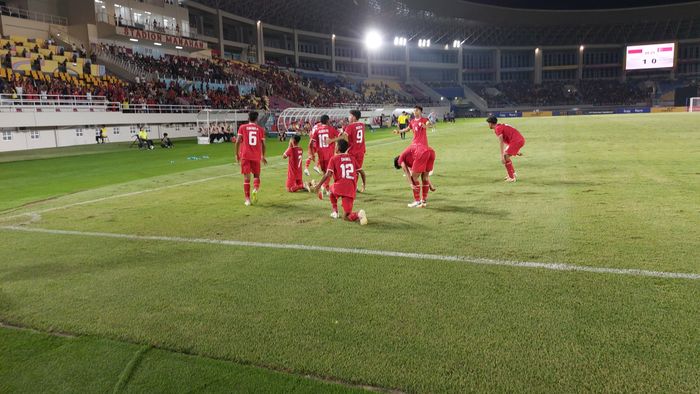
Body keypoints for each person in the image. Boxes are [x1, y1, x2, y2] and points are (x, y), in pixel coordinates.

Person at [312, 139, 367, 225]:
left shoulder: (334, 159)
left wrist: (319, 185)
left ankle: (335, 211)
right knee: (346, 216)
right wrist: (363, 185)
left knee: (330, 190)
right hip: (351, 189)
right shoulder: (352, 158)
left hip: (339, 187)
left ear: (337, 148)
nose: (335, 147)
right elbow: (362, 172)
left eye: (336, 145)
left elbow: (328, 174)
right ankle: (358, 214)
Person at [235, 111, 267, 206]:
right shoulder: (260, 129)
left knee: (246, 179)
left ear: (248, 118)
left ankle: (247, 199)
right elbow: (264, 144)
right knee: (256, 176)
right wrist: (263, 156)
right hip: (256, 156)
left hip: (245, 155)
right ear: (257, 119)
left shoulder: (242, 127)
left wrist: (236, 154)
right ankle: (255, 189)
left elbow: (237, 142)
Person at [394, 144, 436, 208]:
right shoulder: (410, 159)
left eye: (400, 166)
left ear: (398, 162)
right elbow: (425, 176)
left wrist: (411, 184)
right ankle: (423, 201)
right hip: (431, 152)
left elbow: (407, 172)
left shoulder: (401, 159)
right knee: (424, 177)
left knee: (413, 178)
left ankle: (417, 201)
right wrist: (430, 185)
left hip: (422, 153)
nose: (402, 166)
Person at [486, 115, 525, 183]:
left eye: (488, 123)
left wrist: (502, 156)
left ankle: (512, 177)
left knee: (505, 156)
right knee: (506, 155)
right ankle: (512, 174)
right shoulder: (499, 127)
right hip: (517, 140)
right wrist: (516, 151)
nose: (488, 125)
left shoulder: (498, 129)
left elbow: (501, 142)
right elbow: (509, 138)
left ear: (491, 123)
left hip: (516, 141)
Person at [310, 114, 339, 196]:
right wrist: (332, 140)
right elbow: (342, 136)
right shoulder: (331, 129)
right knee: (330, 173)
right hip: (329, 155)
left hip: (321, 156)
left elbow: (311, 143)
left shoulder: (317, 130)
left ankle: (327, 190)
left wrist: (312, 154)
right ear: (327, 121)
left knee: (325, 173)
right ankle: (322, 186)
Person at [332, 109, 366, 176]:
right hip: (361, 151)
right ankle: (354, 186)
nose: (349, 117)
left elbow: (343, 138)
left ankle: (350, 185)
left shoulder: (350, 126)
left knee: (349, 170)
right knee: (357, 170)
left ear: (354, 117)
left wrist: (338, 135)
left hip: (352, 151)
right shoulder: (362, 125)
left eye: (350, 115)